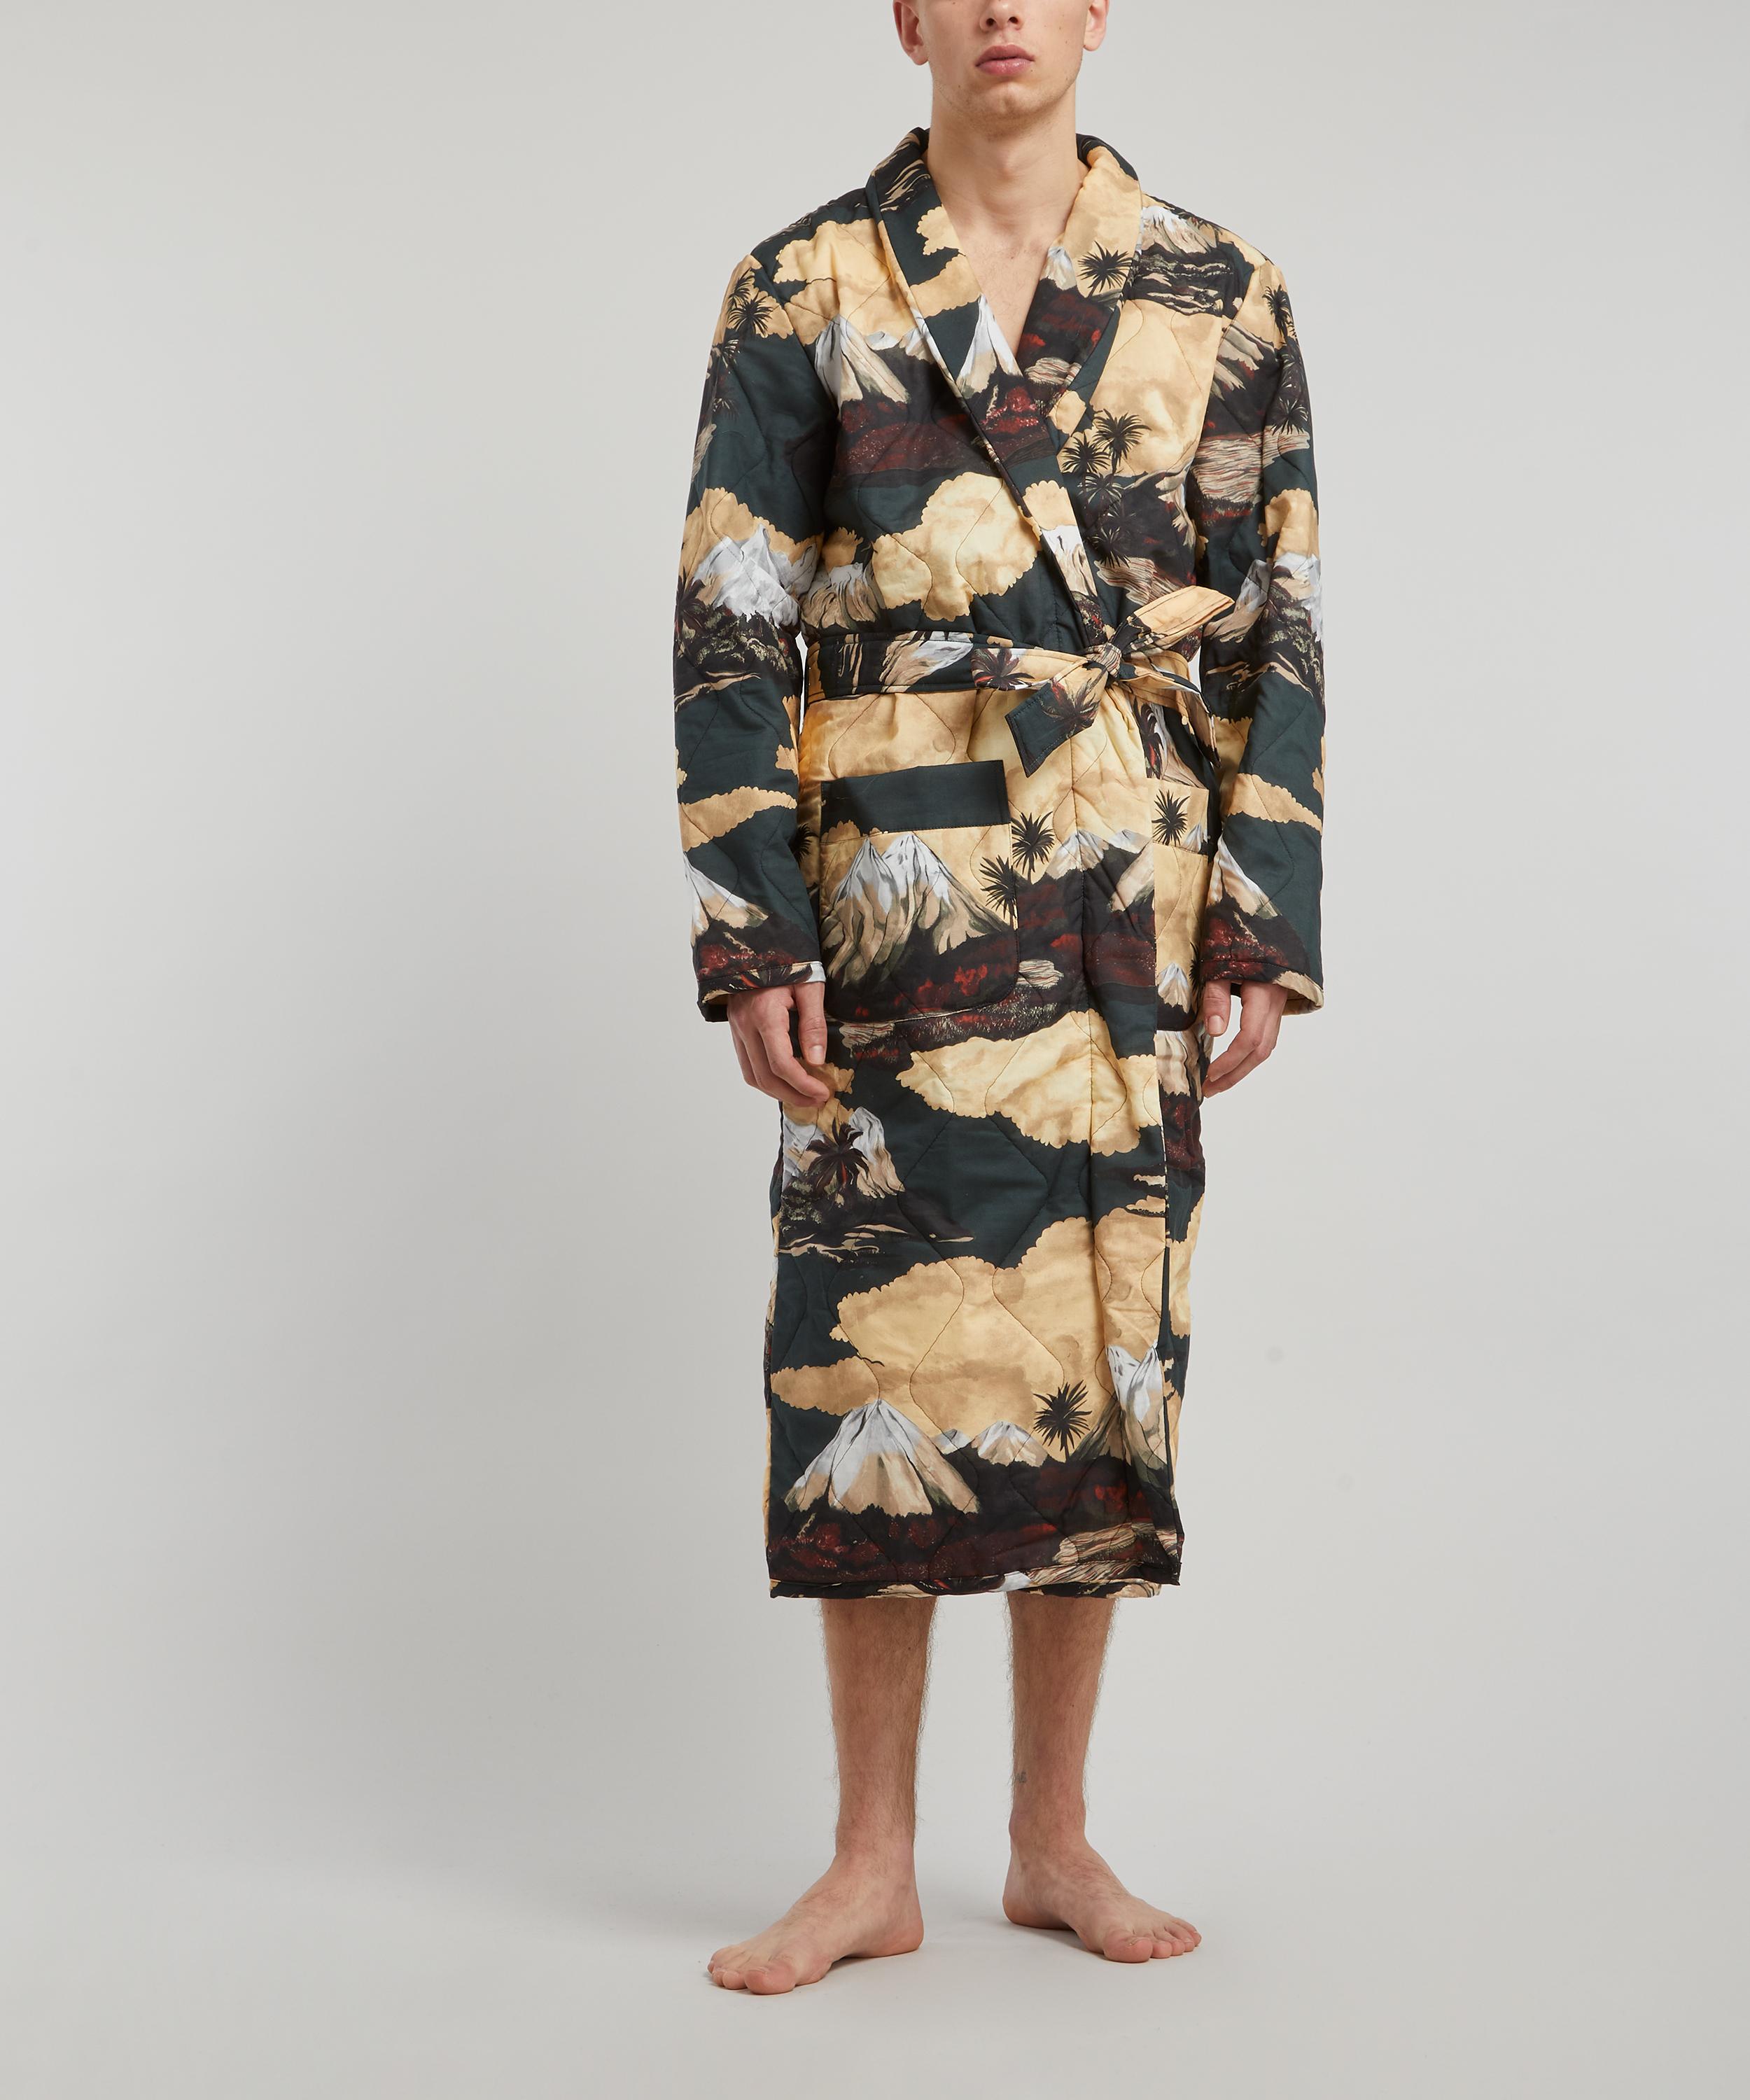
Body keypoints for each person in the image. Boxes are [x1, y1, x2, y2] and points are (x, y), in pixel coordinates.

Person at [673, 0, 1323, 1993]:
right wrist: (757, 929)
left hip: (1128, 882)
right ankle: (869, 1862)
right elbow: (729, 615)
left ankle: (1050, 1842)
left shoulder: (1215, 285)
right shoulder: (803, 280)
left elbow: (1274, 612)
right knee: (875, 1347)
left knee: (1094, 1346)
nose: (1002, 12)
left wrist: (1257, 912)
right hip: (900, 890)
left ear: (1097, 8)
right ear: (909, 18)